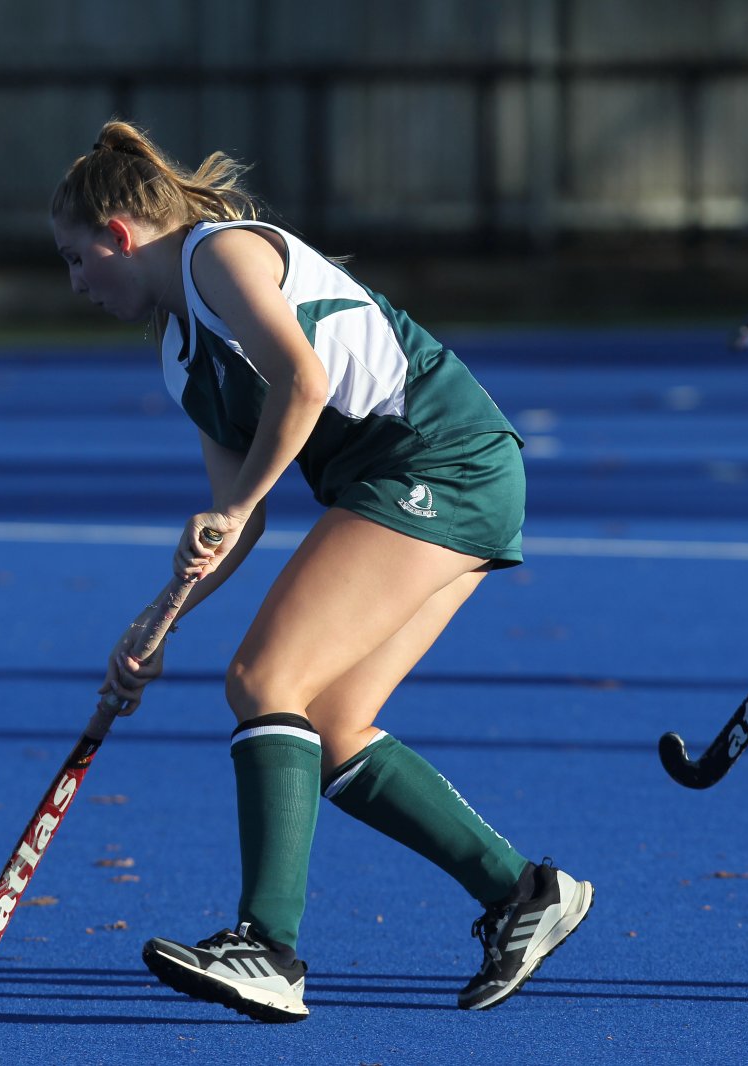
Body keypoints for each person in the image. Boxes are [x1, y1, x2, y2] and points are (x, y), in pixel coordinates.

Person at [49, 120, 594, 1022]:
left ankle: (267, 947)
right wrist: (156, 621)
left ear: (119, 235)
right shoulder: (181, 356)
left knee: (264, 679)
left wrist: (230, 510)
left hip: (438, 458)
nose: (76, 283)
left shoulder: (219, 255)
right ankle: (524, 892)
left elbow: (302, 382)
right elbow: (242, 519)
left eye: (77, 259)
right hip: (424, 478)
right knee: (332, 726)